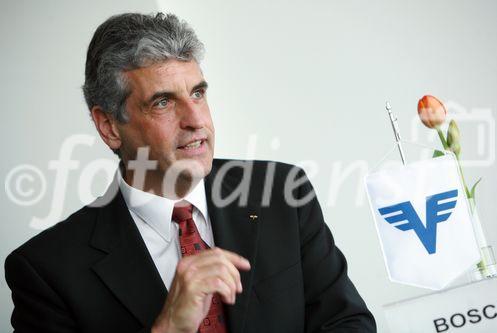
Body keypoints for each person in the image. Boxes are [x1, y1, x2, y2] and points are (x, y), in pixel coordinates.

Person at [4, 13, 376, 333]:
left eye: (198, 93)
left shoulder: (281, 192)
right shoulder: (46, 271)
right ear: (109, 127)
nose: (196, 120)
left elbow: (347, 322)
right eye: (163, 102)